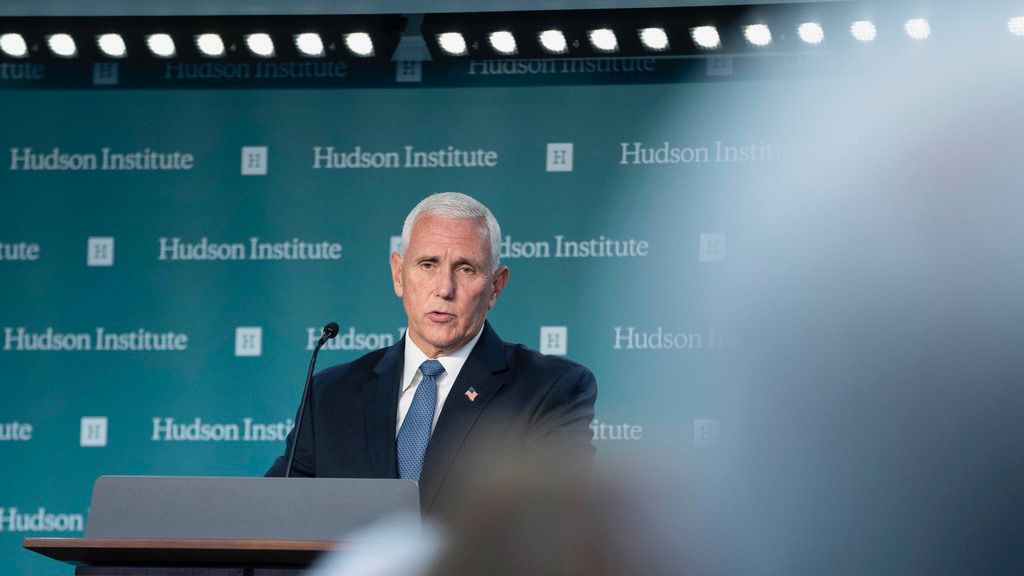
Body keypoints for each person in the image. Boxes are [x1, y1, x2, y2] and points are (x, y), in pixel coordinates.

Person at [266, 192, 597, 524]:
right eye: (428, 264)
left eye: (465, 269)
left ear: (496, 286)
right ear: (398, 274)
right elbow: (269, 523)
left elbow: (554, 531)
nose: (444, 288)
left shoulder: (549, 390)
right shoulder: (331, 394)